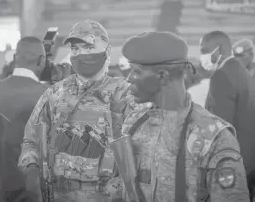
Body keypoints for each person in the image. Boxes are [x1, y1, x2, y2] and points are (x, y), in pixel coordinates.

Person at [110, 31, 250, 202]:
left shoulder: (214, 138)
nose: (129, 78)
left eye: (137, 72)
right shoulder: (134, 123)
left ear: (162, 76)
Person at [17, 19, 141, 202]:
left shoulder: (125, 95)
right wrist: (31, 169)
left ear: (107, 51)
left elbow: (145, 151)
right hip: (58, 195)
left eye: (89, 48)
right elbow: (30, 140)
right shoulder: (54, 93)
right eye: (75, 49)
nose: (81, 54)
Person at [200, 31, 255, 200]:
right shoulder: (243, 73)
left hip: (229, 166)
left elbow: (218, 128)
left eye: (204, 51)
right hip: (247, 162)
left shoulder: (222, 76)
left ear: (220, 49)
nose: (202, 56)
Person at [0, 36, 49, 202]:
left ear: (14, 58)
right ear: (41, 60)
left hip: (2, 190)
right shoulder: (50, 95)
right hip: (37, 192)